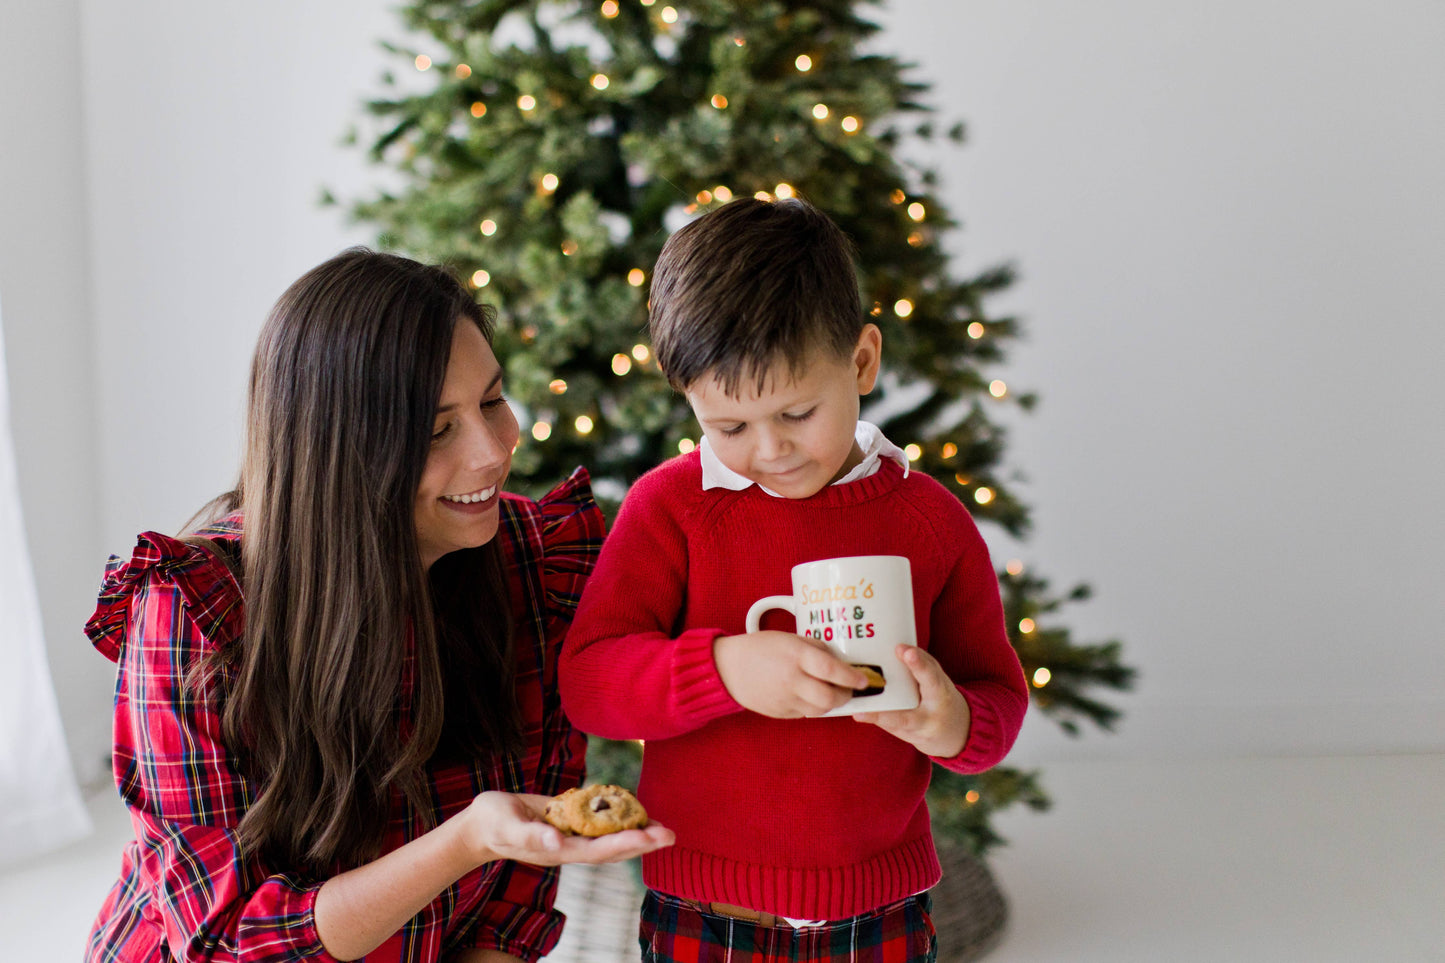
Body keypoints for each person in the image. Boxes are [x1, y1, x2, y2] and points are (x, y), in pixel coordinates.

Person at [84, 249, 673, 963]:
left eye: (491, 399)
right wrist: (464, 840)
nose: (492, 452)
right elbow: (228, 941)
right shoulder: (195, 612)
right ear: (339, 451)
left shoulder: (529, 556)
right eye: (435, 430)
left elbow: (520, 876)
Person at [558, 198, 1028, 961]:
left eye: (797, 411)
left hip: (880, 906)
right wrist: (720, 669)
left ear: (862, 361)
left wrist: (953, 725)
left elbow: (997, 698)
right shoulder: (672, 509)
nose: (770, 449)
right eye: (729, 427)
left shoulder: (930, 523)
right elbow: (589, 681)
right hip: (705, 906)